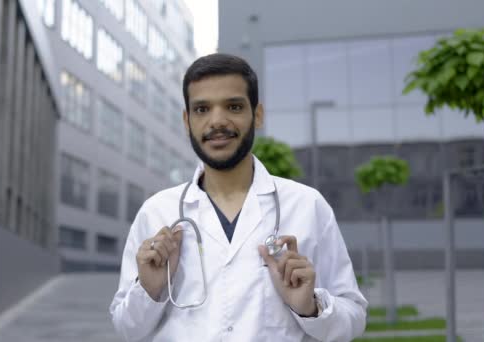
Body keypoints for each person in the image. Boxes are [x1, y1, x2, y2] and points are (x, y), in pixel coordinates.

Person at [109, 53, 367, 341]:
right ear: (187, 120)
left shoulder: (307, 206)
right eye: (202, 109)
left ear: (257, 115)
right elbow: (127, 328)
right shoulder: (156, 212)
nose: (217, 121)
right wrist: (149, 290)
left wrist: (310, 307)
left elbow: (353, 317)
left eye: (233, 106)